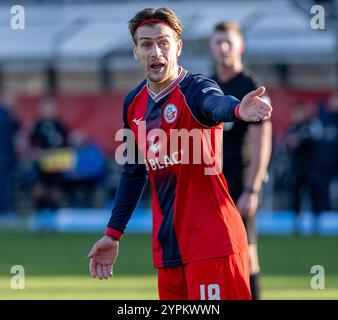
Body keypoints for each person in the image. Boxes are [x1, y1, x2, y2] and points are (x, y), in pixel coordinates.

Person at [87, 7, 272, 300]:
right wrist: (113, 234)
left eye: (163, 42)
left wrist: (236, 109)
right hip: (168, 250)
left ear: (178, 47)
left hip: (213, 244)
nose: (155, 51)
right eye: (146, 44)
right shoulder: (133, 102)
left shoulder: (196, 89)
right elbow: (133, 172)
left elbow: (215, 104)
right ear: (135, 51)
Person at [209, 22, 272, 299]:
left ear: (240, 47)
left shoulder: (251, 86)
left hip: (240, 184)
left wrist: (252, 188)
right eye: (218, 42)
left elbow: (262, 142)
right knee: (210, 255)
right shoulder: (207, 86)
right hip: (211, 185)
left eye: (228, 42)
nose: (223, 48)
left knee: (248, 255)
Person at [0, 93, 19, 214]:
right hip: (3, 155)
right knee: (4, 183)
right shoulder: (3, 115)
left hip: (9, 155)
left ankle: (6, 207)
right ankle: (4, 208)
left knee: (8, 183)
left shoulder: (10, 114)